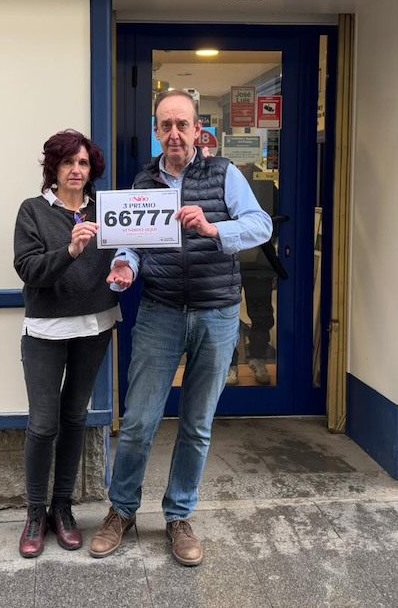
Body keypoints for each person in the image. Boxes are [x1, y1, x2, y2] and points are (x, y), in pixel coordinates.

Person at [90, 90, 271, 566]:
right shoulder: (143, 182)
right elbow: (131, 242)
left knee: (196, 425)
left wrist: (215, 229)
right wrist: (125, 266)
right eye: (165, 125)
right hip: (161, 311)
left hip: (216, 313)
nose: (174, 133)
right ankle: (122, 511)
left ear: (197, 129)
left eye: (181, 125)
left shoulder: (225, 174)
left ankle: (178, 516)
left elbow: (261, 225)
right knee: (139, 422)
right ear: (157, 130)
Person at [13, 129, 120, 559]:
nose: (76, 170)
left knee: (75, 416)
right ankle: (35, 513)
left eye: (83, 163)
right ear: (53, 169)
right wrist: (71, 251)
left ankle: (63, 508)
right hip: (47, 330)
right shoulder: (34, 211)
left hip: (95, 324)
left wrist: (125, 271)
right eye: (67, 163)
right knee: (43, 423)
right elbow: (28, 269)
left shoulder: (106, 210)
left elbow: (124, 255)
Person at [227, 163, 280, 386]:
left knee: (261, 314)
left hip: (260, 262)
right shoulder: (223, 179)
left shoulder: (265, 183)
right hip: (229, 261)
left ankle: (257, 358)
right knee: (227, 315)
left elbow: (276, 220)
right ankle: (230, 364)